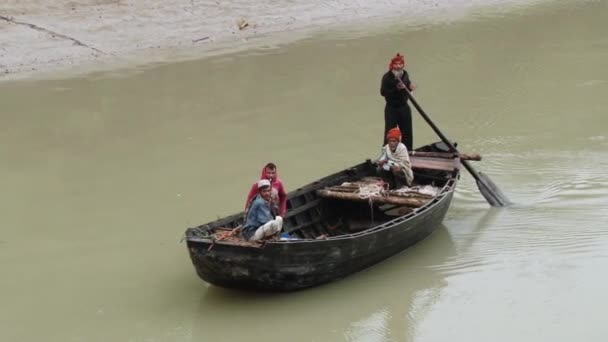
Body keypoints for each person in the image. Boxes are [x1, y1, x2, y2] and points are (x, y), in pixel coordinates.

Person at [380, 53, 417, 151]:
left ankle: (407, 152)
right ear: (392, 65)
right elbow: (383, 92)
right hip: (391, 108)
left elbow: (407, 84)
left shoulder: (405, 74)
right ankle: (387, 153)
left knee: (407, 132)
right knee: (390, 132)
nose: (398, 66)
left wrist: (410, 87)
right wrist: (396, 88)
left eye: (400, 64)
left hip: (404, 107)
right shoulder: (387, 77)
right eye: (396, 64)